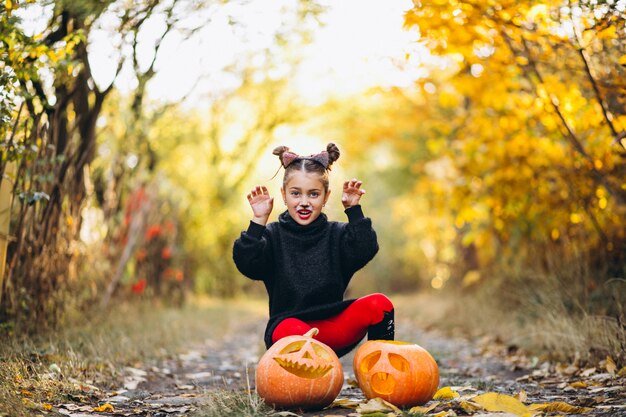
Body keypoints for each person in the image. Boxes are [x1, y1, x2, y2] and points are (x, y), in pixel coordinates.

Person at [232, 143, 394, 357]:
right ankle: (317, 371)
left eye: (313, 194)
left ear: (326, 196)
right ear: (284, 194)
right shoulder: (272, 236)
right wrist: (258, 221)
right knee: (292, 330)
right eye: (296, 194)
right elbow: (247, 263)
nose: (304, 202)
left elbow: (365, 248)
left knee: (380, 304)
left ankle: (381, 371)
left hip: (333, 328)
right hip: (289, 331)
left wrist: (354, 210)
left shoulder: (337, 234)